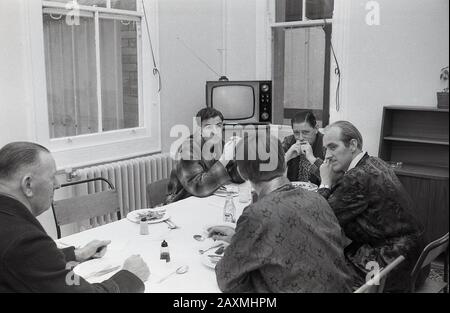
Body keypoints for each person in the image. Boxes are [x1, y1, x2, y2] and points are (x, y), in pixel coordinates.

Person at [208, 133, 354, 293]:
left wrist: (242, 243)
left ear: (241, 173)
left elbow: (227, 279)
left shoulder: (257, 214)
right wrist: (241, 237)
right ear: (284, 165)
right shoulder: (318, 199)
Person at [0, 142, 150, 293]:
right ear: (28, 184)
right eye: (52, 177)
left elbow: (30, 263)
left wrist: (76, 254)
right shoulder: (24, 239)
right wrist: (130, 277)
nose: (58, 185)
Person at [317, 121, 427, 292]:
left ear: (353, 144)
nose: (327, 156)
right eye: (325, 149)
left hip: (391, 266)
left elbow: (319, 217)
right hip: (416, 260)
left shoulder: (356, 178)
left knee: (322, 269)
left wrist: (325, 183)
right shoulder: (375, 162)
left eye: (333, 147)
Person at [165, 108, 244, 204]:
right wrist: (224, 158)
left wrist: (240, 154)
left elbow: (235, 176)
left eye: (218, 126)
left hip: (208, 200)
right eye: (208, 127)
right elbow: (199, 188)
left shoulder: (219, 144)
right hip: (181, 203)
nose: (215, 131)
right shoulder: (189, 148)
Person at [282, 111, 325, 185]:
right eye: (296, 133)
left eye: (305, 132)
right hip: (293, 193)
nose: (301, 138)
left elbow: (332, 177)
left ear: (316, 129)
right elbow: (269, 174)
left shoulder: (325, 143)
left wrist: (312, 159)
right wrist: (287, 156)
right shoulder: (288, 142)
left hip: (318, 194)